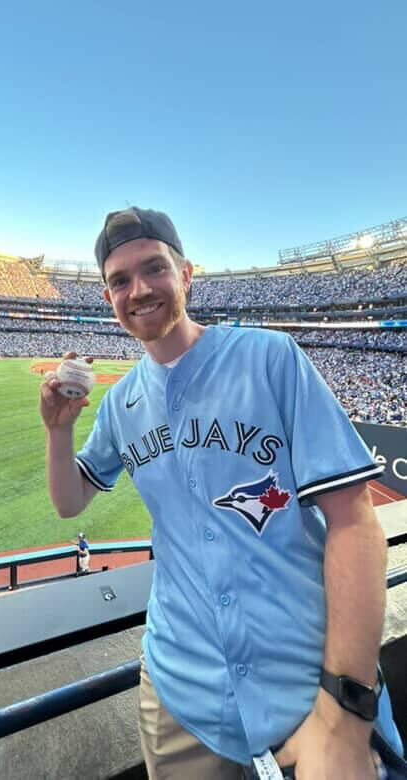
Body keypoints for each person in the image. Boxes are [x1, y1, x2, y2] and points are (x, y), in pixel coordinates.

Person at [39, 207, 403, 779]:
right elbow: (70, 500)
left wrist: (345, 710)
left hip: (307, 683)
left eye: (153, 268)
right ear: (109, 298)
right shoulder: (121, 403)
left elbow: (355, 523)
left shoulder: (271, 358)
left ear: (186, 274)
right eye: (119, 280)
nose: (138, 290)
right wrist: (58, 432)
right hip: (180, 692)